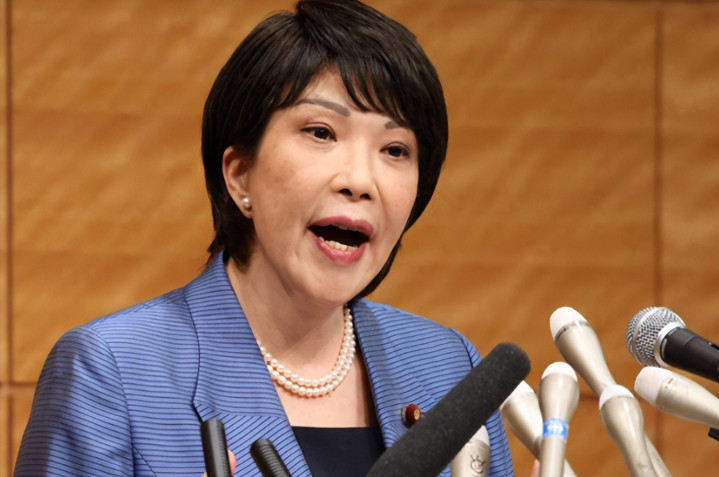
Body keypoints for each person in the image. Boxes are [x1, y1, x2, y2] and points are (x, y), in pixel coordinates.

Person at [14, 1, 518, 476]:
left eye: (394, 149)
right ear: (240, 174)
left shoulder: (447, 365)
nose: (361, 180)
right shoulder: (115, 370)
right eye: (321, 132)